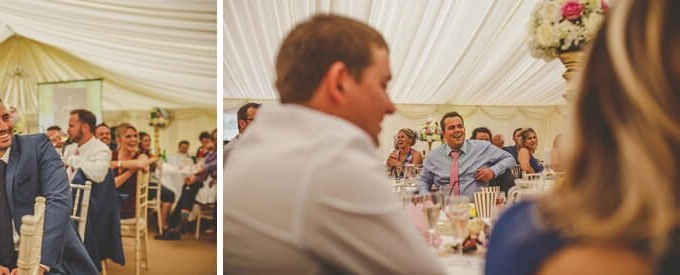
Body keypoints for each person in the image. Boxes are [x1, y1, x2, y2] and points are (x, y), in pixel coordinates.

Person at [224, 14, 444, 274]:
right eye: (382, 85)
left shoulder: (262, 144)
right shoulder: (328, 156)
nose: (390, 105)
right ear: (339, 81)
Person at [487, 0, 680, 274]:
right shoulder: (524, 157)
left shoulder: (530, 235)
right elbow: (530, 171)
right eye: (528, 140)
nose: (531, 142)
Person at [0, 94, 97, 274]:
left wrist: (40, 264)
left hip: (53, 256)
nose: (4, 126)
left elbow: (59, 201)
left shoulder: (38, 146)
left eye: (5, 118)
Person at [62, 109, 124, 269]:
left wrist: (73, 160)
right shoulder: (70, 148)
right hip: (66, 201)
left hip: (92, 209)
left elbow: (99, 174)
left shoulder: (100, 148)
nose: (68, 129)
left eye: (71, 125)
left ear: (84, 128)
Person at [418, 112, 515, 198]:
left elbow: (510, 159)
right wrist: (424, 196)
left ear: (464, 129)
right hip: (445, 209)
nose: (457, 130)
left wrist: (493, 171)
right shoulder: (434, 156)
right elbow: (424, 180)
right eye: (452, 128)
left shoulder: (482, 147)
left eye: (460, 126)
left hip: (478, 209)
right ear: (444, 133)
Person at [156, 129, 217, 240]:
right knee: (187, 187)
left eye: (217, 139)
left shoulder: (218, 153)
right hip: (203, 180)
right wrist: (196, 177)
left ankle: (174, 226)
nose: (216, 141)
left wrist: (197, 175)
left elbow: (210, 167)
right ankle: (179, 223)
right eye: (215, 139)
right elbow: (202, 170)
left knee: (187, 189)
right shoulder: (211, 154)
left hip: (215, 182)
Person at [109, 123, 150, 219]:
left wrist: (116, 164)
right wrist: (131, 171)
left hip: (129, 204)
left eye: (135, 136)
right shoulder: (111, 155)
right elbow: (112, 184)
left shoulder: (141, 156)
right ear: (118, 140)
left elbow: (141, 164)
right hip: (111, 200)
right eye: (128, 136)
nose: (133, 140)